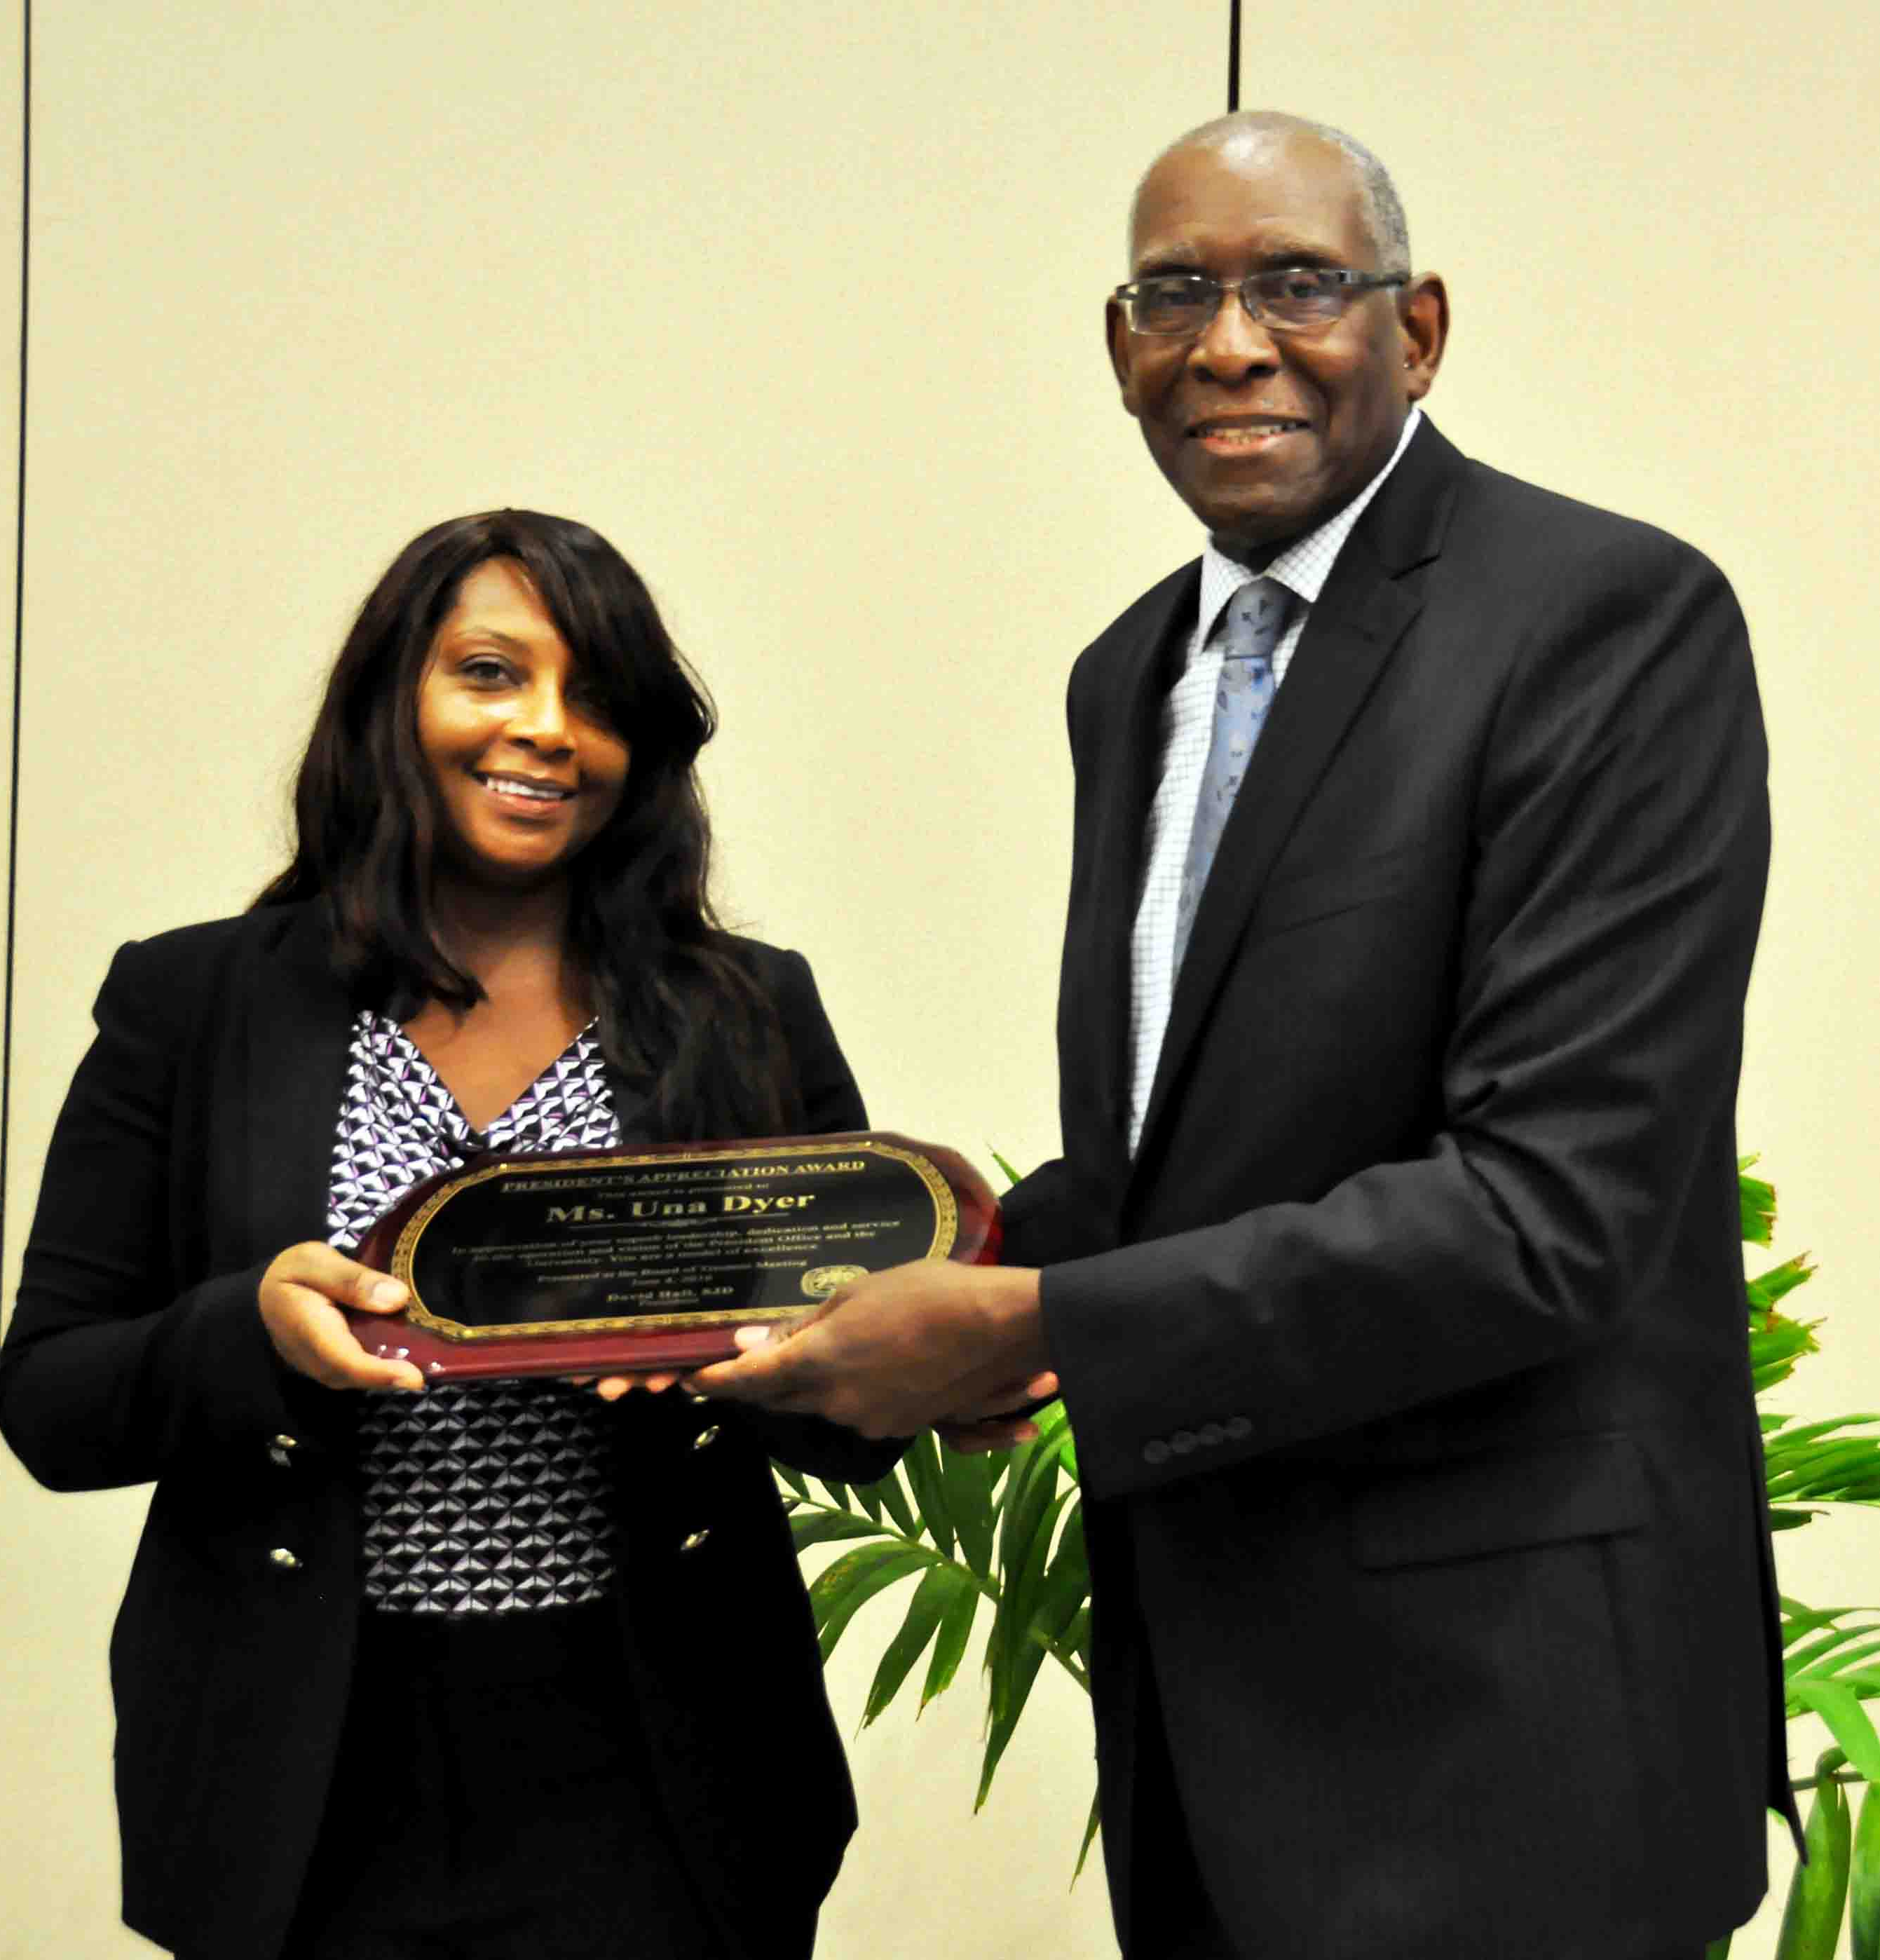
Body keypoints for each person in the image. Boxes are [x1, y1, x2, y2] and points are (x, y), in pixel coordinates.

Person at [694, 112, 1792, 1959]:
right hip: (1205, 1706)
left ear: (1418, 327)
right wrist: (846, 1287)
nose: (1228, 342)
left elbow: (1549, 1211)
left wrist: (1031, 1325)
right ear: (1114, 346)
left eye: (1299, 283)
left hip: (1502, 1741)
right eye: (1173, 294)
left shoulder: (1606, 618)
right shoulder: (1128, 674)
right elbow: (1178, 1166)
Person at [0, 510, 898, 1960]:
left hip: (659, 1755)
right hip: (300, 1764)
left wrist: (765, 1365)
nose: (547, 730)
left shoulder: (746, 1009)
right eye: (491, 673)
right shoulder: (196, 1002)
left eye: (595, 696)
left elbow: (865, 1425)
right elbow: (50, 1400)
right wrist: (253, 1333)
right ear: (392, 700)